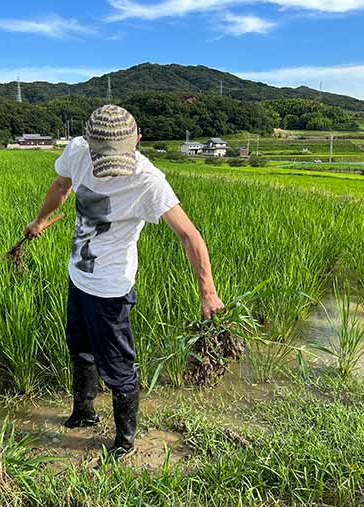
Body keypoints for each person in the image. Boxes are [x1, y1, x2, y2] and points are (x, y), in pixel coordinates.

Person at [25, 105, 224, 459]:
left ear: (138, 142)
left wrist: (207, 292)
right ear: (88, 142)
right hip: (78, 277)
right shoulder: (77, 152)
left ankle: (124, 441)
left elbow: (189, 235)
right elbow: (60, 186)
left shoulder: (148, 181)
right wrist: (41, 220)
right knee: (79, 348)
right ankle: (83, 413)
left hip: (111, 290)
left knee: (118, 367)